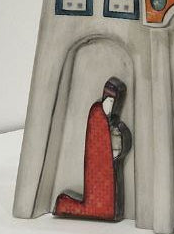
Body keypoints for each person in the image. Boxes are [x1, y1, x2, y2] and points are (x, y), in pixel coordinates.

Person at [54, 77, 131, 222]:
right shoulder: (97, 112)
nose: (112, 104)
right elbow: (97, 140)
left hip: (105, 170)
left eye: (114, 100)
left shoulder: (104, 115)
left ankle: (104, 208)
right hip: (98, 168)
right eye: (110, 99)